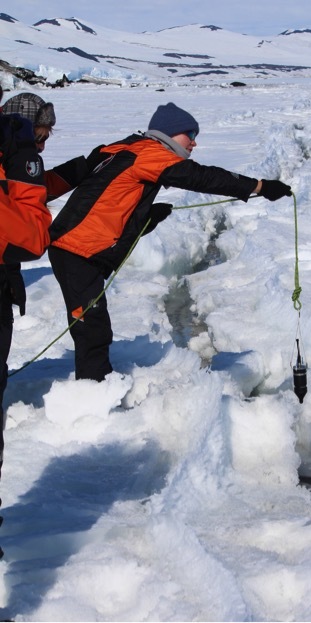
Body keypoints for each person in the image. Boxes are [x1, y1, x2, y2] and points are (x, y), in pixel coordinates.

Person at [48, 102, 292, 382]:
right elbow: (200, 177)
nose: (194, 143)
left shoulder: (129, 148)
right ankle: (93, 394)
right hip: (77, 249)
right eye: (190, 134)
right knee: (92, 327)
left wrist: (145, 218)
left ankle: (95, 385)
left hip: (77, 247)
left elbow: (110, 200)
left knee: (92, 325)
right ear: (170, 133)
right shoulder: (149, 153)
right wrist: (258, 186)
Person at [0, 90, 94, 479]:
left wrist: (77, 170)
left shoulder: (12, 158)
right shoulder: (17, 157)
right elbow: (31, 236)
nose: (46, 139)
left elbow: (26, 192)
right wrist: (28, 167)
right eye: (40, 131)